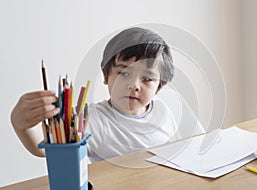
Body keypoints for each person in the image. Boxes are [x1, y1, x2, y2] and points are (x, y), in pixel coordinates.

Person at [11, 27, 199, 162]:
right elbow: (47, 149)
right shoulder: (91, 119)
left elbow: (197, 144)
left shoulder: (166, 109)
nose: (134, 86)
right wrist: (20, 125)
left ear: (159, 86)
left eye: (147, 79)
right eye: (124, 73)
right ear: (106, 75)